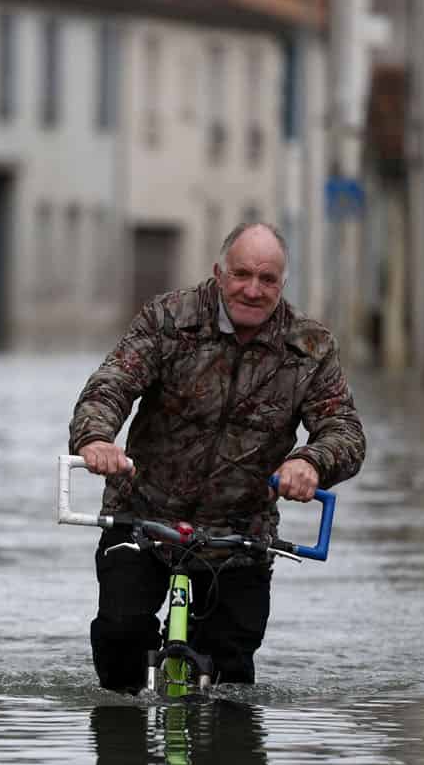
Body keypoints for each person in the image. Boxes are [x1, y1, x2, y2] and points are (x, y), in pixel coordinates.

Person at [69, 221, 365, 692]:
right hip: (143, 519)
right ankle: (123, 754)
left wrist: (310, 462)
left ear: (282, 284)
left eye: (267, 280)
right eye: (242, 274)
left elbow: (345, 430)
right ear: (219, 273)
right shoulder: (169, 318)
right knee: (120, 640)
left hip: (239, 538)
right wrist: (97, 439)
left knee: (229, 676)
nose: (252, 290)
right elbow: (110, 386)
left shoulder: (310, 346)